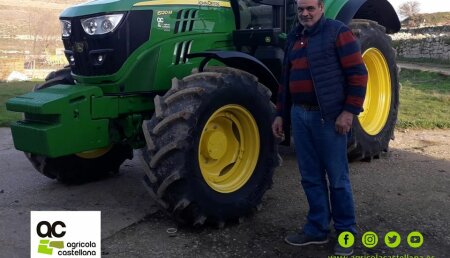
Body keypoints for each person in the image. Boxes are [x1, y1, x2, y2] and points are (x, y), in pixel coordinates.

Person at [272, 0, 368, 255]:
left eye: (310, 8)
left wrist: (348, 111)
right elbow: (285, 80)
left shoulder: (337, 32)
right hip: (300, 115)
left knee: (337, 178)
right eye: (301, 9)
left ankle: (346, 232)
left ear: (321, 8)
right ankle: (316, 229)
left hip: (328, 118)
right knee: (310, 177)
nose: (305, 14)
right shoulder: (294, 36)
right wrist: (281, 114)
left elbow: (358, 74)